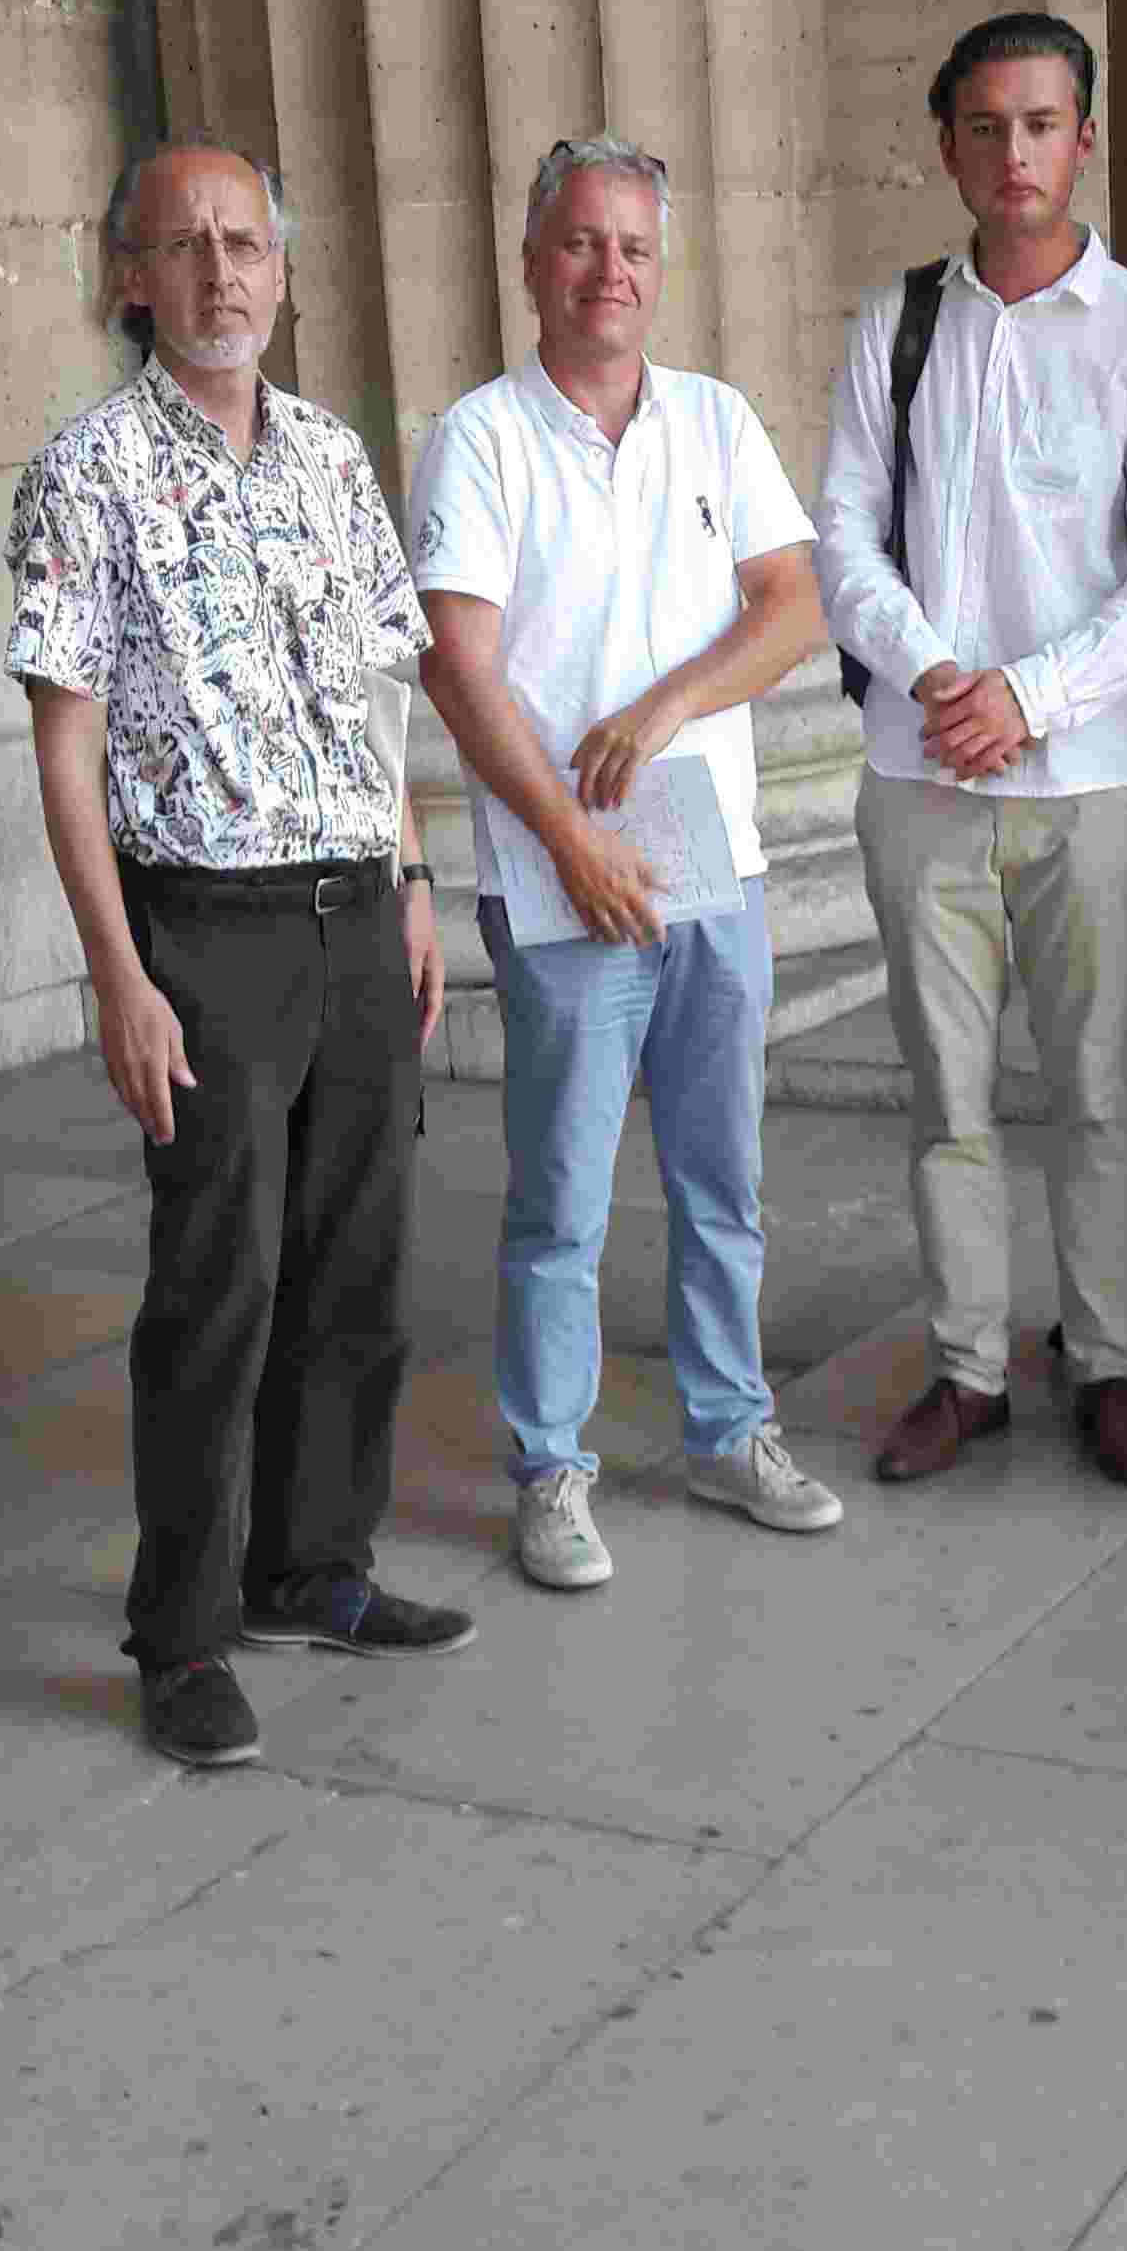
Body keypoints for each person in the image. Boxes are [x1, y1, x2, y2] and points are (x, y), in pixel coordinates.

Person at [6, 140, 474, 1770]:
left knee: (358, 1269)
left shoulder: (334, 459)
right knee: (218, 1289)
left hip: (359, 913)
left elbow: (380, 687)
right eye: (184, 244)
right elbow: (65, 739)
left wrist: (413, 874)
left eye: (245, 242)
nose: (220, 272)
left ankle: (314, 1567)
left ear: (282, 265)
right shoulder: (84, 473)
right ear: (130, 275)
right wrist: (116, 973)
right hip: (204, 931)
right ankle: (186, 1633)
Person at [411, 134, 841, 1592]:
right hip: (559, 870)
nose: (611, 271)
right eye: (584, 243)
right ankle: (550, 1467)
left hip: (712, 859)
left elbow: (792, 606)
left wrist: (663, 708)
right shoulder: (482, 439)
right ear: (534, 261)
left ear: (662, 269)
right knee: (563, 1200)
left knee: (724, 1178)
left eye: (636, 248)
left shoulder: (715, 421)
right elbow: (458, 670)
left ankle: (730, 1430)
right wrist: (568, 840)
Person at [815, 10, 1127, 1486]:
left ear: (1083, 139)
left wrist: (1029, 697)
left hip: (1085, 778)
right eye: (985, 127)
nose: (1014, 154)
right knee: (947, 1095)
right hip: (919, 766)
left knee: (1093, 1092)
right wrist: (937, 675)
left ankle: (1106, 1363)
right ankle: (968, 1368)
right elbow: (842, 536)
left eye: (1041, 124)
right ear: (947, 147)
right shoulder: (898, 325)